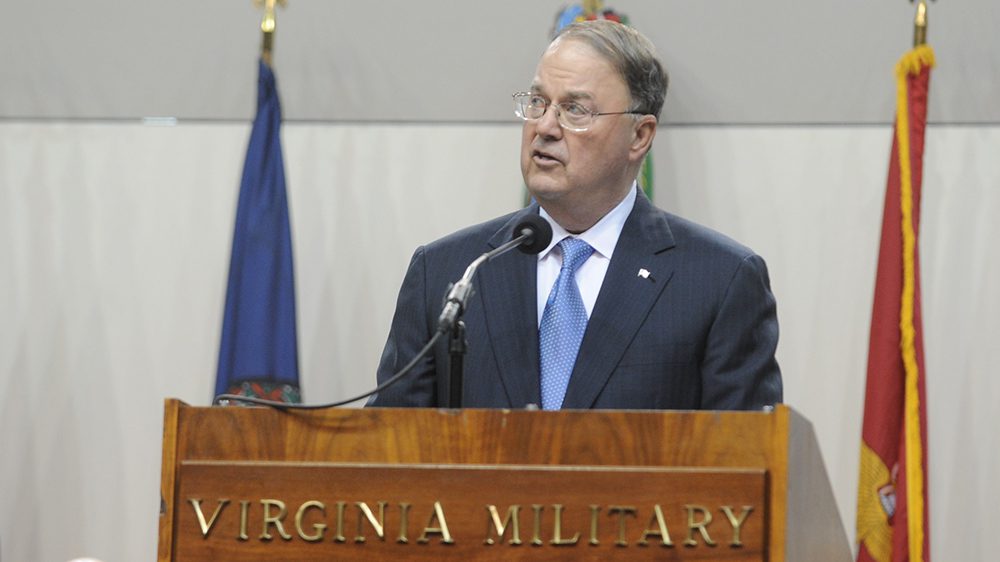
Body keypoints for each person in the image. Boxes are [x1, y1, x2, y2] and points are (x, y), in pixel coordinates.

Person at [370, 20, 781, 410]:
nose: (545, 127)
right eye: (538, 102)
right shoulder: (450, 272)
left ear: (640, 136)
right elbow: (388, 449)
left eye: (575, 110)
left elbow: (744, 462)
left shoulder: (718, 281)